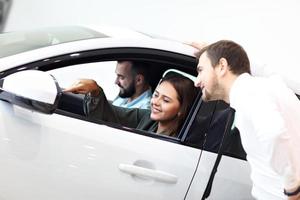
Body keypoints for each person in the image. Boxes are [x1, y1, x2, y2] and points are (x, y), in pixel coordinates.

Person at [192, 40, 300, 200]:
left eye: (201, 70)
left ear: (222, 66)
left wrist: (293, 190)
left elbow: (274, 133)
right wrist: (212, 52)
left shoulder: (247, 93)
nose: (197, 81)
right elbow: (256, 69)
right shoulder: (272, 85)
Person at [64, 72, 198, 137]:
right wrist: (95, 90)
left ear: (181, 109)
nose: (155, 102)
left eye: (166, 100)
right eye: (156, 95)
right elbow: (110, 113)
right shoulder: (147, 118)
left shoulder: (179, 141)